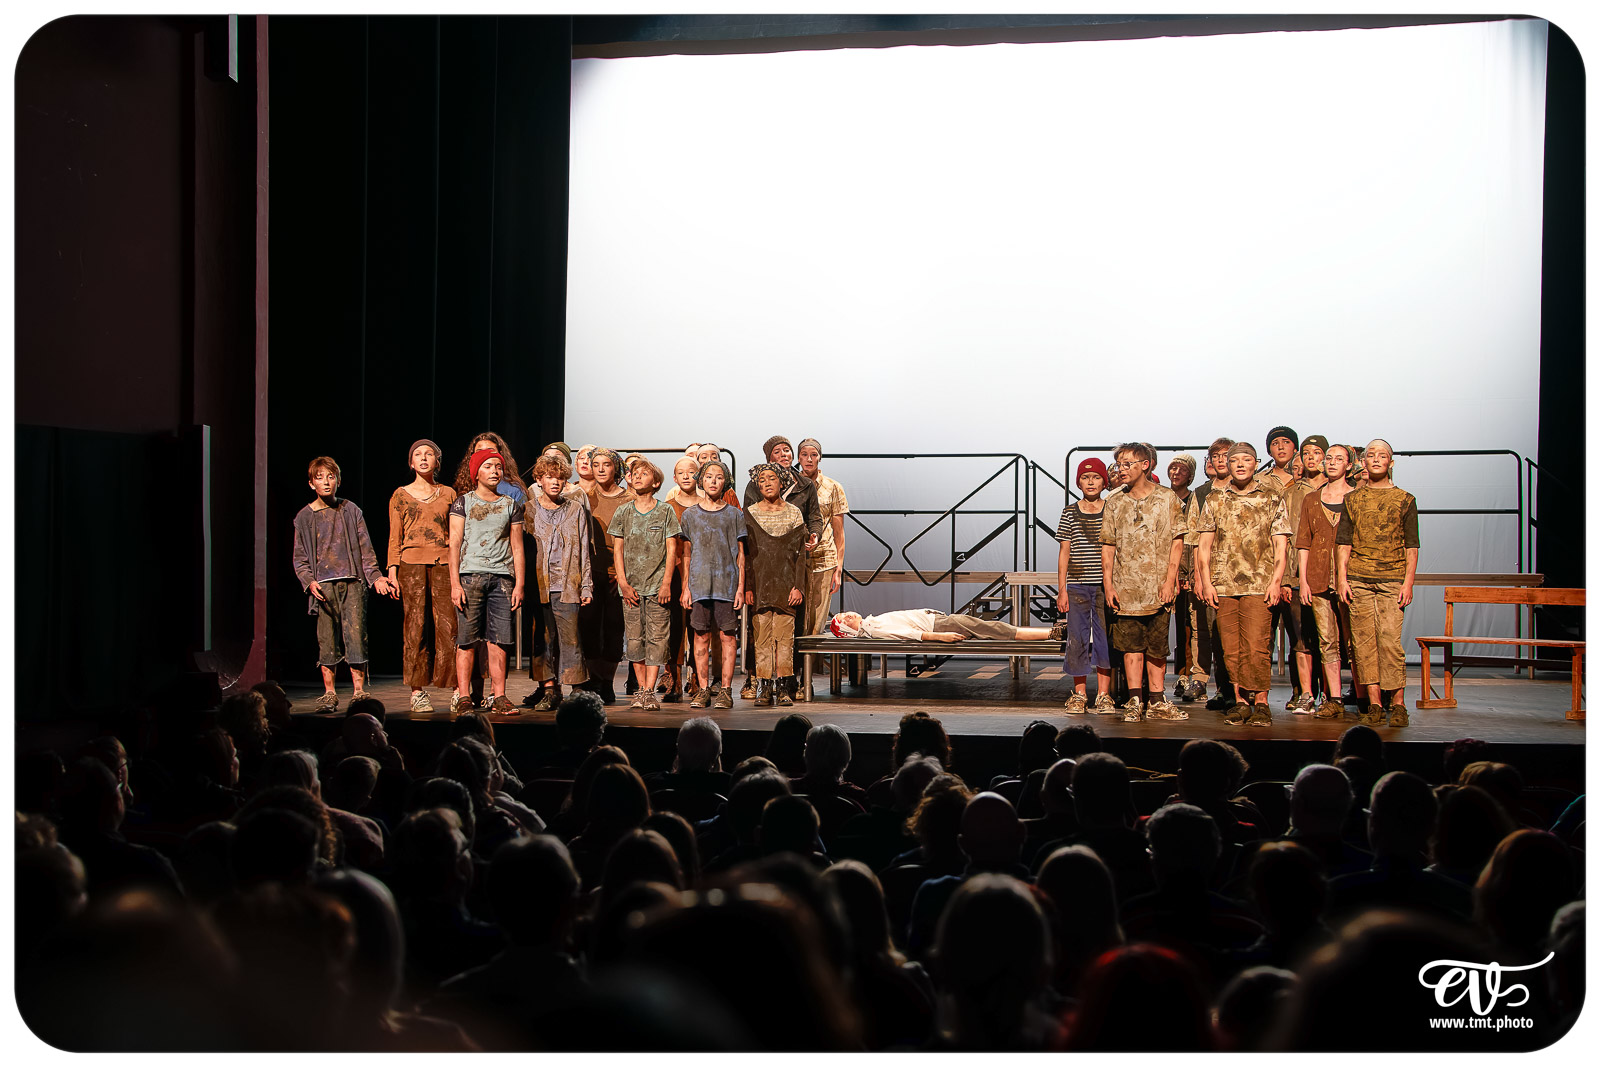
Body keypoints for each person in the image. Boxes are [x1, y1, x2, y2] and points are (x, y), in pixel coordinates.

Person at [1196, 441, 1289, 728]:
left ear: (1255, 463)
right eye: (1233, 459)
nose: (1239, 464)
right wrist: (1207, 582)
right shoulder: (1215, 500)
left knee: (1257, 645)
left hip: (1259, 584)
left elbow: (1281, 545)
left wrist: (1276, 582)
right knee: (1230, 648)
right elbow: (1204, 546)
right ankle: (1240, 701)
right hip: (1224, 585)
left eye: (1246, 460)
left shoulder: (1272, 498)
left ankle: (1260, 701)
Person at [293, 456, 395, 712]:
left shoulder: (351, 510)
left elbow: (365, 550)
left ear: (338, 480)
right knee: (326, 639)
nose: (326, 482)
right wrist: (309, 582)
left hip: (352, 584)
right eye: (320, 478)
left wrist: (375, 578)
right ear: (311, 483)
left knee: (355, 636)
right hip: (324, 587)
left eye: (331, 477)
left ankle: (359, 691)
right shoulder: (304, 517)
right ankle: (329, 693)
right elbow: (300, 558)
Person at [1099, 442, 1187, 722]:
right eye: (1119, 465)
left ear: (1145, 465)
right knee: (1130, 646)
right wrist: (1109, 584)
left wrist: (1170, 580)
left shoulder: (1167, 498)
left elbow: (1177, 541)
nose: (1122, 470)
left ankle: (1158, 700)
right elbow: (1108, 545)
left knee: (1157, 646)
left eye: (1128, 464)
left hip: (1158, 586)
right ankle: (1135, 699)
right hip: (1126, 588)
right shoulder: (1115, 501)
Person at [1337, 439, 1420, 727]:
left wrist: (1407, 583)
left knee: (1389, 641)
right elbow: (1343, 544)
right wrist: (1342, 579)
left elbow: (1412, 546)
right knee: (1362, 644)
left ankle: (1397, 703)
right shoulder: (1353, 500)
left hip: (1392, 579)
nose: (1375, 459)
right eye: (1370, 455)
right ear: (1363, 462)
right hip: (1359, 579)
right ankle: (1373, 703)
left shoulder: (1405, 499)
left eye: (1381, 455)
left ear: (1391, 462)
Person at [452, 433, 528, 708]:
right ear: (475, 471)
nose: (495, 471)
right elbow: (455, 544)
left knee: (499, 640)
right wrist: (454, 583)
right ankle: (463, 696)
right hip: (470, 576)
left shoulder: (510, 505)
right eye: (487, 466)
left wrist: (519, 584)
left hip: (502, 579)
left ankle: (499, 695)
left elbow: (517, 548)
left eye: (498, 466)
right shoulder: (463, 502)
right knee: (467, 640)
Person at [386, 440, 459, 713]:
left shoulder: (449, 493)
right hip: (411, 565)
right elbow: (395, 536)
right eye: (418, 454)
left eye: (429, 454)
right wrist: (392, 571)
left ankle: (457, 689)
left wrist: (457, 570)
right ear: (411, 462)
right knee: (415, 627)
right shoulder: (400, 495)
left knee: (448, 626)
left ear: (437, 462)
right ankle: (417, 691)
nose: (424, 458)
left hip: (443, 564)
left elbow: (455, 536)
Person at [609, 459, 682, 711]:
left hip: (657, 587)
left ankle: (650, 690)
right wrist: (623, 582)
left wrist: (666, 583)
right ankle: (640, 689)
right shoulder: (623, 512)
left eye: (644, 474)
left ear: (657, 482)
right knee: (635, 639)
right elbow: (618, 550)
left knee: (658, 639)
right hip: (631, 588)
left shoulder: (665, 512)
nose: (638, 477)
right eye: (635, 474)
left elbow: (672, 550)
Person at [525, 454, 593, 713]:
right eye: (549, 477)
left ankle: (576, 689)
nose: (555, 482)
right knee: (543, 639)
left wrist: (586, 585)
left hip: (568, 584)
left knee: (571, 638)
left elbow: (584, 547)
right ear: (539, 479)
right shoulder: (529, 509)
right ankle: (550, 688)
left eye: (560, 478)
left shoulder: (574, 509)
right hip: (539, 585)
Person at [1297, 442, 1361, 719]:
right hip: (1319, 577)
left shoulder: (1359, 497)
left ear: (1349, 465)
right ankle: (1333, 697)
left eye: (1339, 459)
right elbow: (1303, 543)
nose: (1333, 462)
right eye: (1329, 458)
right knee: (1327, 641)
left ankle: (1362, 696)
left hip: (1352, 579)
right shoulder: (1312, 499)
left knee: (1355, 640)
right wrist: (1303, 581)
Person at [677, 459, 747, 709]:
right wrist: (686, 587)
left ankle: (726, 690)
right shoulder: (690, 515)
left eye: (718, 477)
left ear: (725, 481)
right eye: (708, 477)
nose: (713, 481)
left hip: (726, 584)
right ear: (701, 481)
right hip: (699, 584)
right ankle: (703, 688)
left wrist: (740, 588)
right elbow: (686, 553)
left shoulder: (734, 514)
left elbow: (741, 554)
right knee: (700, 636)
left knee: (728, 636)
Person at [1258, 427, 1317, 712]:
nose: (1281, 447)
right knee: (1262, 638)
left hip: (1295, 574)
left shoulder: (1308, 488)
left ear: (1296, 449)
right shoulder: (1258, 482)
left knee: (1301, 637)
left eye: (1286, 442)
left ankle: (1302, 693)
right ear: (1269, 450)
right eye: (1275, 443)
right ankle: (1258, 697)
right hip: (1263, 573)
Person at [744, 463, 809, 707]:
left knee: (785, 638)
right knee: (761, 637)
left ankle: (783, 687)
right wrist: (749, 587)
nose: (767, 483)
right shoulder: (750, 513)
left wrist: (798, 587)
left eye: (771, 478)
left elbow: (800, 555)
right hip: (760, 585)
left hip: (786, 586)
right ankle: (763, 686)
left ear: (782, 482)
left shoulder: (793, 513)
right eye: (761, 480)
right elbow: (748, 556)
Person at [1055, 458, 1116, 714]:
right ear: (1078, 481)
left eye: (1096, 478)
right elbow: (1064, 551)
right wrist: (1062, 589)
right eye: (1085, 478)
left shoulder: (1111, 510)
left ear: (1104, 481)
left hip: (1104, 585)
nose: (1091, 482)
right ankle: (1079, 695)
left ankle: (1103, 695)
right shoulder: (1070, 511)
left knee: (1104, 639)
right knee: (1077, 639)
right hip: (1078, 585)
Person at [794, 438, 850, 697]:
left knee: (816, 622)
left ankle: (807, 678)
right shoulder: (790, 484)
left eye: (813, 454)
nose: (808, 459)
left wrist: (839, 568)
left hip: (824, 559)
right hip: (795, 560)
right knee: (796, 617)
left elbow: (839, 532)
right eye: (803, 454)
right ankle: (791, 675)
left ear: (819, 458)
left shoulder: (832, 487)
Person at [580, 447, 630, 703]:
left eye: (606, 464)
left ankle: (608, 683)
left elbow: (636, 542)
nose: (600, 468)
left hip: (616, 576)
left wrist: (623, 575)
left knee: (613, 629)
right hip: (589, 574)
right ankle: (595, 680)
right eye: (596, 464)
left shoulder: (629, 499)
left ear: (616, 468)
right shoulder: (583, 496)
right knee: (588, 628)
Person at [1195, 437, 1239, 711]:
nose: (1221, 460)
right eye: (1216, 455)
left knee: (1244, 638)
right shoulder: (1202, 493)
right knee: (1218, 636)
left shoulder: (1253, 489)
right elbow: (1195, 538)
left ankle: (1245, 693)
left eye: (1227, 455)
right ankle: (1224, 690)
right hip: (1214, 576)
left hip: (1246, 575)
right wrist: (1201, 578)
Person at [1168, 453, 1211, 704]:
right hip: (1170, 571)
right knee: (1177, 626)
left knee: (1193, 625)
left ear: (1190, 474)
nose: (1176, 473)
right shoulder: (1162, 498)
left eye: (1181, 469)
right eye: (1172, 468)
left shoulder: (1196, 498)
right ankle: (1180, 673)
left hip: (1191, 570)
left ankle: (1192, 674)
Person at [660, 456, 701, 701]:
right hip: (674, 572)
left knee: (697, 627)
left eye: (691, 471)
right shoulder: (669, 507)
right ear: (675, 478)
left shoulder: (706, 504)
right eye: (681, 473)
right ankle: (673, 679)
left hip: (700, 572)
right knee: (674, 627)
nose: (686, 476)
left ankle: (697, 678)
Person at [827, 609, 1056, 642]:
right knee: (996, 629)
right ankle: (1050, 633)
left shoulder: (871, 622)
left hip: (940, 620)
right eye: (846, 618)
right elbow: (909, 634)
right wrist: (941, 636)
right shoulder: (873, 628)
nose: (850, 615)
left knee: (992, 628)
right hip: (940, 624)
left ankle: (1051, 632)